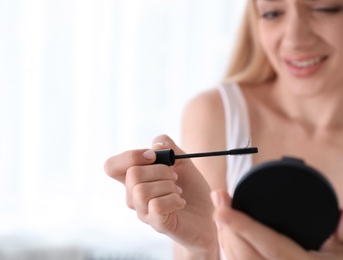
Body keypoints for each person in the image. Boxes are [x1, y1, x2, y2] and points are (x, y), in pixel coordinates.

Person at [104, 0, 343, 259]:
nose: (295, 39)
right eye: (272, 13)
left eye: (325, 8)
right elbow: (199, 248)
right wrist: (202, 246)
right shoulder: (217, 114)